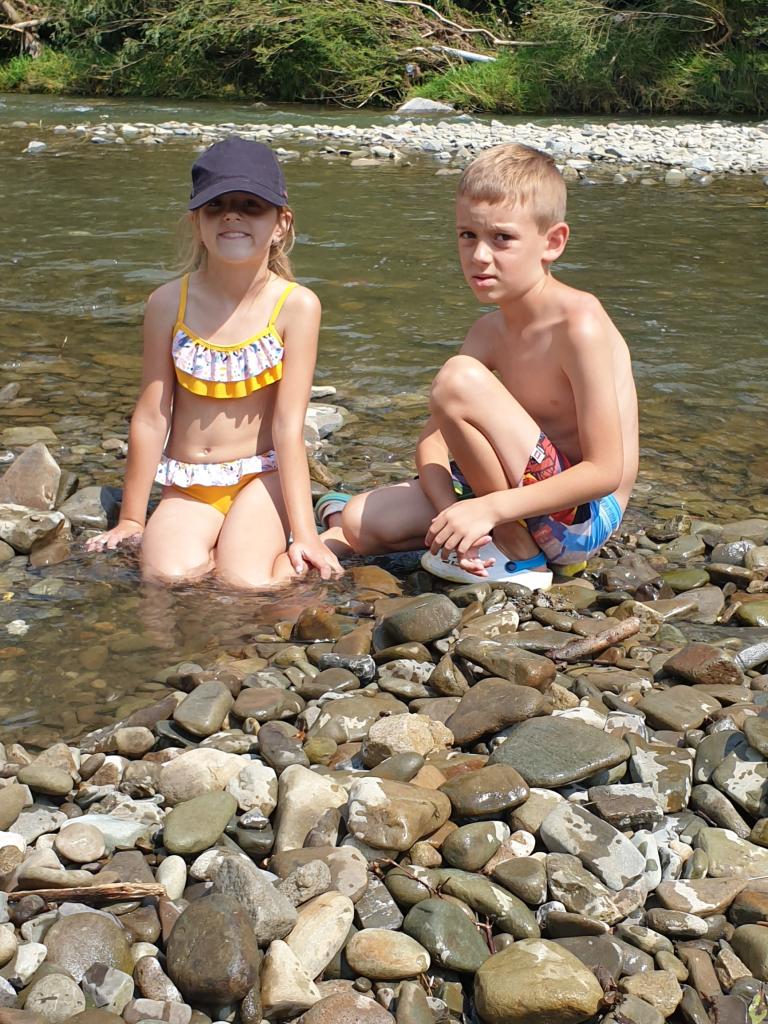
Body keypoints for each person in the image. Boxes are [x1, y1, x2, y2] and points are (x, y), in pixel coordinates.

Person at [320, 142, 638, 589]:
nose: (479, 255)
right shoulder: (488, 332)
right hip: (513, 498)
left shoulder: (579, 325)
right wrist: (454, 514)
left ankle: (520, 555)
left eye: (501, 238)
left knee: (457, 379)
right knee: (360, 521)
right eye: (467, 235)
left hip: (582, 520)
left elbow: (606, 472)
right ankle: (488, 541)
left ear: (552, 242)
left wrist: (489, 511)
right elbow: (431, 442)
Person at [87, 137, 342, 587]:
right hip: (189, 483)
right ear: (197, 223)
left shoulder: (296, 306)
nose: (231, 215)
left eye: (250, 205)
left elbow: (288, 425)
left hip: (261, 477)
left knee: (246, 583)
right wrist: (131, 518)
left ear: (281, 223)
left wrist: (305, 536)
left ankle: (332, 534)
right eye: (215, 206)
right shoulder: (168, 302)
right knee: (166, 575)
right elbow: (151, 416)